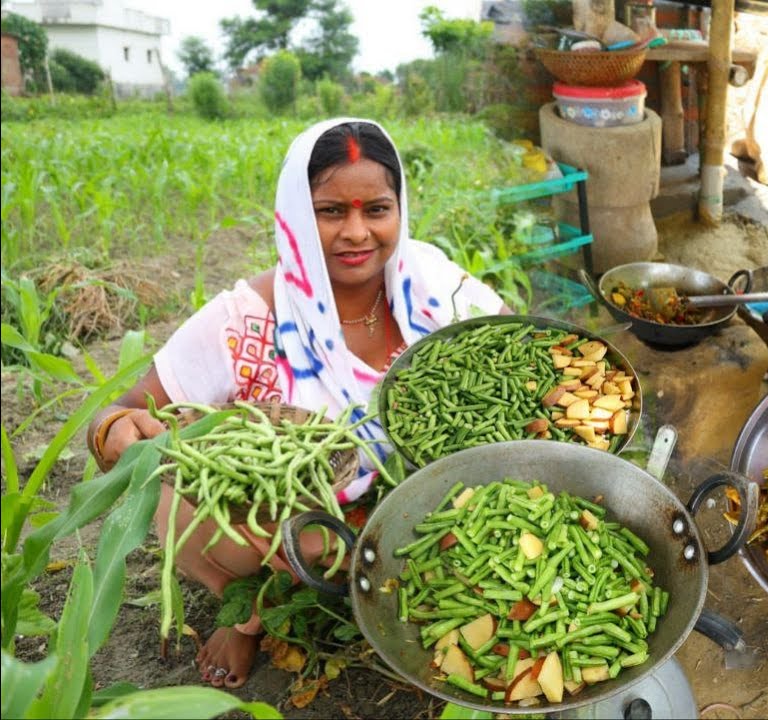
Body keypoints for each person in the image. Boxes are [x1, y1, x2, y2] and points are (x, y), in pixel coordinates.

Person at [84, 118, 509, 688]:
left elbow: (512, 347)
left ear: (399, 208)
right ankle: (249, 615)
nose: (357, 232)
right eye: (331, 211)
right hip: (302, 523)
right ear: (295, 213)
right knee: (178, 495)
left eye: (376, 209)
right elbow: (130, 408)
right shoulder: (248, 317)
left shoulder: (429, 281)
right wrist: (113, 428)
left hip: (433, 495)